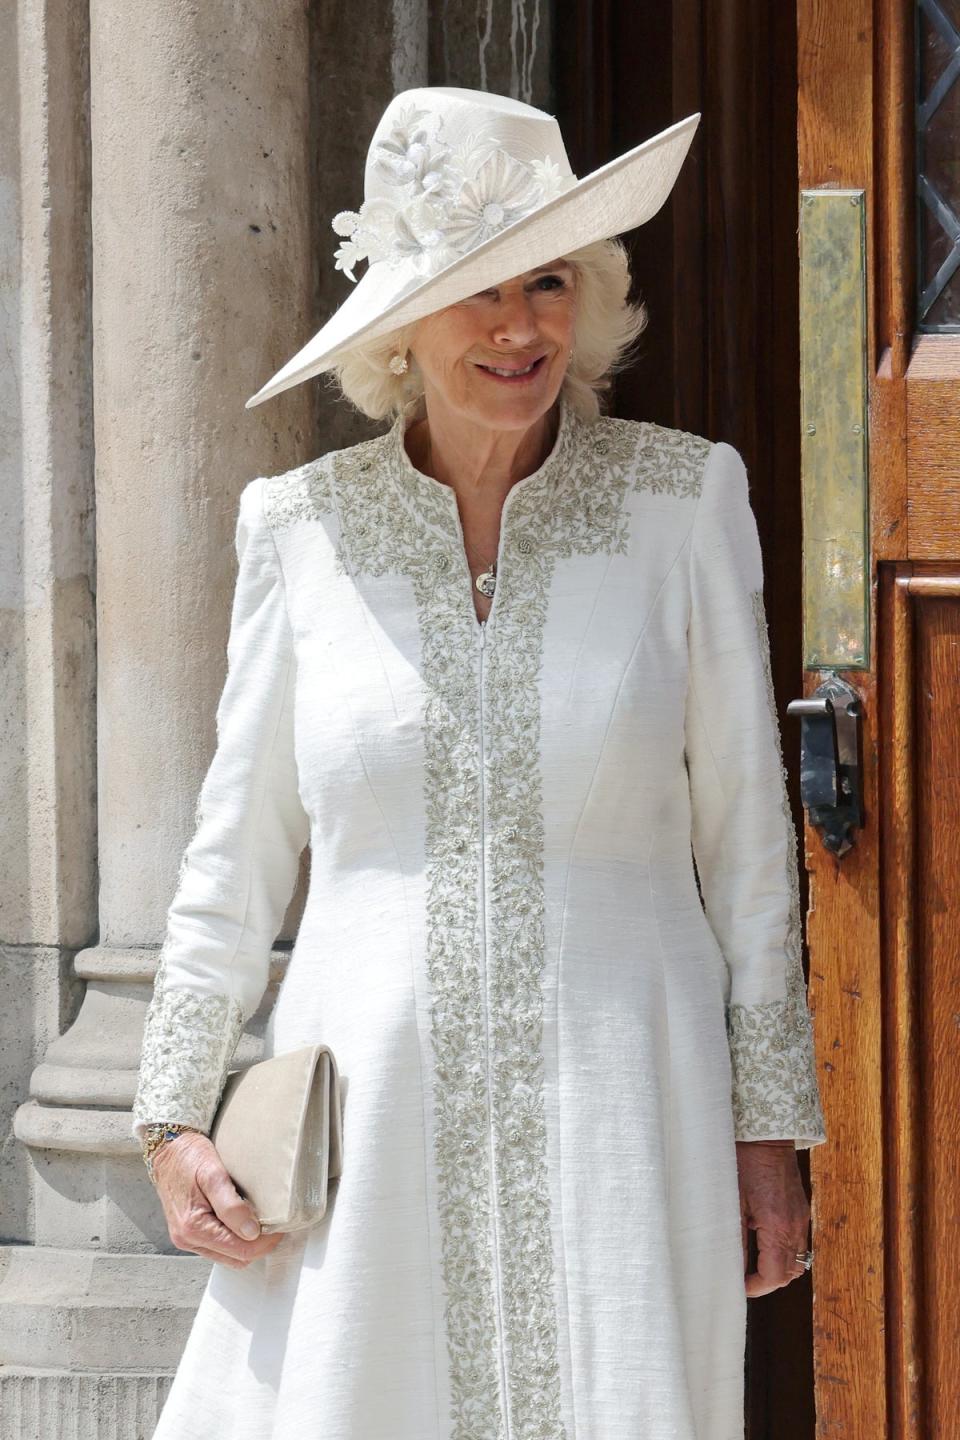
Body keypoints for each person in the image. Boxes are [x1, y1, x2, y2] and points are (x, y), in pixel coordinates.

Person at [132, 86, 826, 1440]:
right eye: (476, 291)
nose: (520, 329)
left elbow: (748, 849)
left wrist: (768, 1127)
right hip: (363, 1124)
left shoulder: (685, 503)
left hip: (634, 1095)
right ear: (398, 323)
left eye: (549, 284)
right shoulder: (300, 529)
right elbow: (236, 855)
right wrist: (171, 1116)